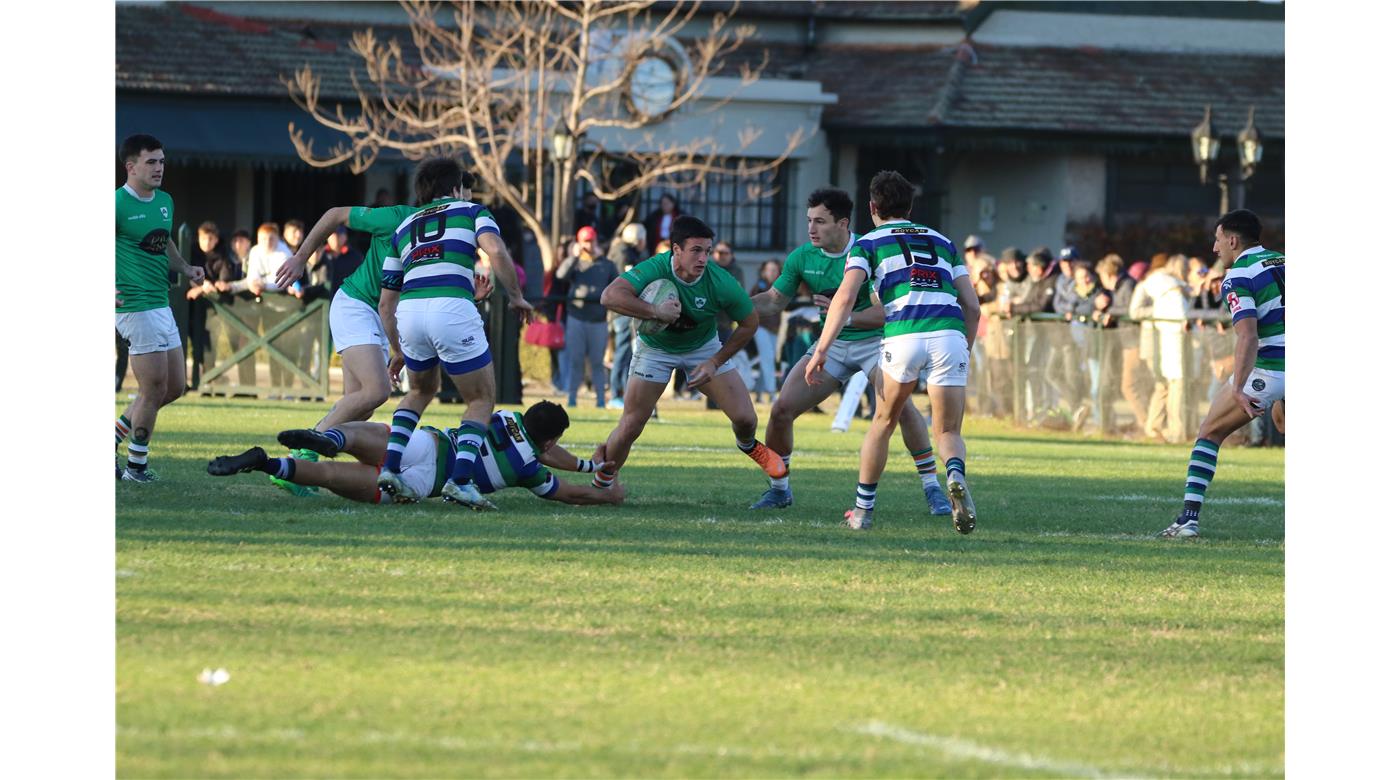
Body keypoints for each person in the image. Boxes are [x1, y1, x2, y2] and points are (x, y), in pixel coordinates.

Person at [747, 187, 952, 515]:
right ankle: (779, 489)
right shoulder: (802, 257)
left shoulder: (869, 249)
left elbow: (885, 312)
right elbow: (774, 300)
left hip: (877, 342)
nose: (811, 229)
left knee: (903, 410)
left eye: (820, 222)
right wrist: (735, 306)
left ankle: (933, 488)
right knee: (782, 409)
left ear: (843, 224)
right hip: (834, 345)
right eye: (809, 221)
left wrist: (842, 314)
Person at [807, 171, 980, 533]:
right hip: (948, 333)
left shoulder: (867, 243)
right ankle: (954, 475)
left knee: (883, 423)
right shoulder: (943, 240)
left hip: (903, 334)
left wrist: (822, 348)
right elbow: (973, 306)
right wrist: (965, 345)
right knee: (947, 430)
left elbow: (845, 297)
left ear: (872, 207)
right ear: (910, 206)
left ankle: (862, 512)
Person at [374, 158, 532, 509]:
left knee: (419, 390)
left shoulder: (403, 227)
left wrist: (397, 349)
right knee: (480, 400)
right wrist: (516, 296)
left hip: (410, 312)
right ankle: (460, 481)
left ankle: (389, 468)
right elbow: (495, 250)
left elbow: (386, 303)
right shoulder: (472, 211)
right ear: (457, 187)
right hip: (451, 309)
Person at [590, 215, 785, 495]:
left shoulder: (720, 281)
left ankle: (748, 445)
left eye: (707, 251)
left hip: (703, 349)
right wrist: (655, 312)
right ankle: (603, 484)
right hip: (655, 348)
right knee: (632, 424)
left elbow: (750, 322)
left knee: (746, 419)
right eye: (696, 250)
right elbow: (609, 296)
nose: (704, 258)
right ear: (676, 250)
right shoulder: (655, 268)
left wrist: (714, 361)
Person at [208, 401, 624, 506]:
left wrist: (588, 462)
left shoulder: (505, 416)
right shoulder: (527, 469)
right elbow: (570, 493)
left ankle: (331, 440)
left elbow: (544, 449)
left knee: (361, 433)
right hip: (426, 483)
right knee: (331, 480)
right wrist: (606, 492)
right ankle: (266, 464)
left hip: (428, 443)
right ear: (549, 441)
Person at [1160, 210, 1284, 538]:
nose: (1215, 249)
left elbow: (1248, 335)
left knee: (1210, 432)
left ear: (1232, 240)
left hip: (1272, 367)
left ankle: (1187, 520)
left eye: (1217, 240)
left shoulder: (1239, 275)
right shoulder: (1284, 260)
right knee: (1283, 424)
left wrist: (1240, 387)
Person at [114, 134, 206, 482]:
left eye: (162, 161)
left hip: (160, 302)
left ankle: (113, 438)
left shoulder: (165, 201)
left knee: (173, 388)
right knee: (152, 389)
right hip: (134, 306)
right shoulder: (116, 204)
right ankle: (137, 467)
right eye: (151, 162)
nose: (159, 168)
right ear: (131, 166)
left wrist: (184, 267)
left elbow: (163, 238)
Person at [555, 225, 618, 408]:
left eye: (591, 241)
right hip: (576, 317)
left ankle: (600, 400)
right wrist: (574, 256)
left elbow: (617, 283)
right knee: (576, 360)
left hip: (598, 320)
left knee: (597, 362)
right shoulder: (575, 263)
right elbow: (561, 275)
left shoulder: (606, 264)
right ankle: (572, 398)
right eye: (585, 241)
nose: (588, 245)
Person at [1131, 254, 1191, 443]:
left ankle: (1155, 427)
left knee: (1165, 386)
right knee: (1172, 386)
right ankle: (1173, 430)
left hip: (1164, 342)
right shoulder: (1170, 289)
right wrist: (1157, 313)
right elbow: (1135, 311)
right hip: (1163, 343)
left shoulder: (1164, 287)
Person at [748, 260, 783, 404]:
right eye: (769, 270)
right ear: (763, 272)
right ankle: (772, 392)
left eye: (775, 270)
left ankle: (759, 392)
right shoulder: (759, 286)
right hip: (760, 326)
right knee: (768, 358)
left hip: (774, 328)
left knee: (766, 359)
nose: (772, 273)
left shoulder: (781, 286)